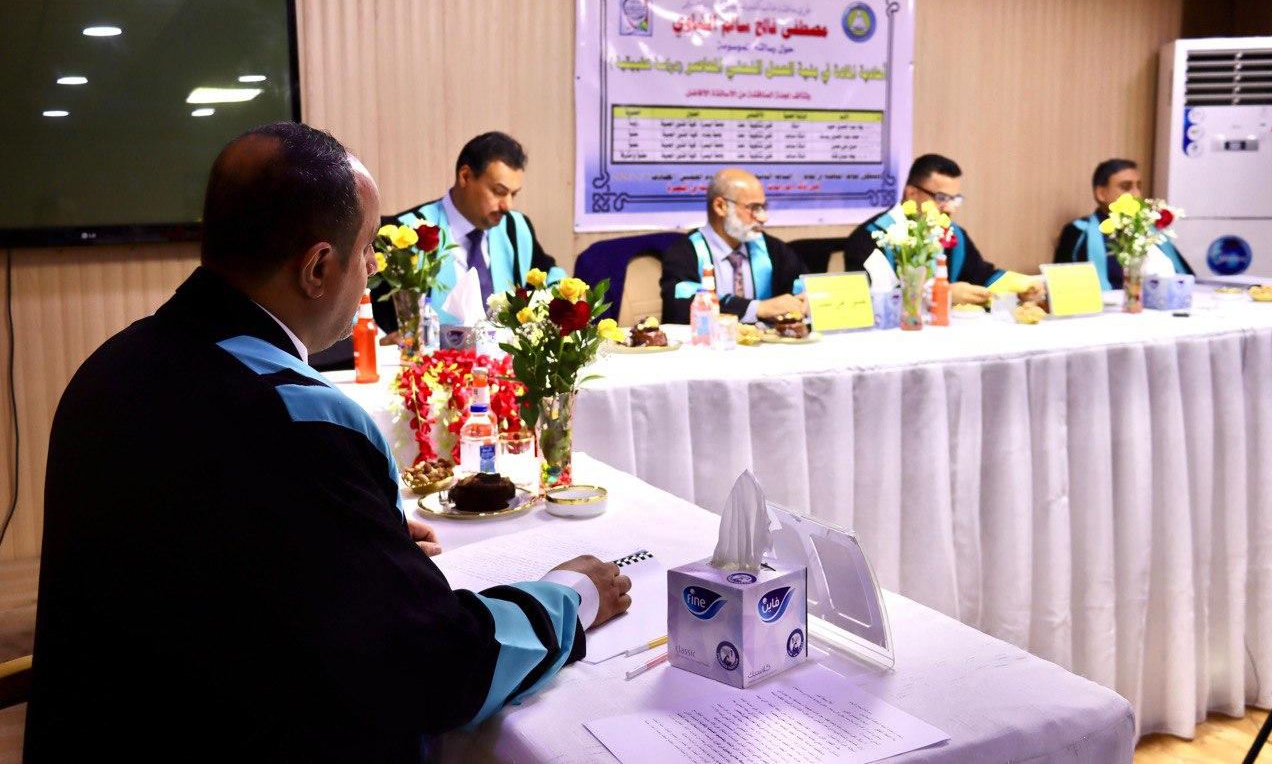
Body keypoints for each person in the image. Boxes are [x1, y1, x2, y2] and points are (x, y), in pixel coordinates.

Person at [26, 122, 631, 761]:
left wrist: (354, 540)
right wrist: (570, 597)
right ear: (317, 268)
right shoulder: (302, 420)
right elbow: (434, 667)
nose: (373, 267)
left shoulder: (109, 368)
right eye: (367, 248)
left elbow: (205, 552)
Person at [373, 131, 564, 330]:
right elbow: (375, 319)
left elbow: (549, 278)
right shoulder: (405, 233)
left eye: (513, 194)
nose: (507, 205)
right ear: (465, 177)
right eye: (499, 192)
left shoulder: (515, 228)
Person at [843, 154, 1034, 307]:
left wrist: (1021, 287)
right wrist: (942, 295)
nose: (950, 208)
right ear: (911, 193)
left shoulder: (953, 234)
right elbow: (868, 302)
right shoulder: (869, 238)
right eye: (941, 198)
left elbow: (982, 276)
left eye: (955, 199)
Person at [659, 168, 807, 324]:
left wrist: (805, 300)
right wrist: (757, 309)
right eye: (754, 208)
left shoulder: (772, 249)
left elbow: (802, 286)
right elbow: (681, 305)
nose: (764, 217)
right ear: (720, 206)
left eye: (763, 207)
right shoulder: (683, 252)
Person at [1054, 158, 1194, 289]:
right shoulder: (1079, 231)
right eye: (1126, 187)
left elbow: (1184, 276)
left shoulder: (1150, 230)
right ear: (1101, 193)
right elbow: (1060, 286)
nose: (1136, 194)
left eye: (1139, 186)